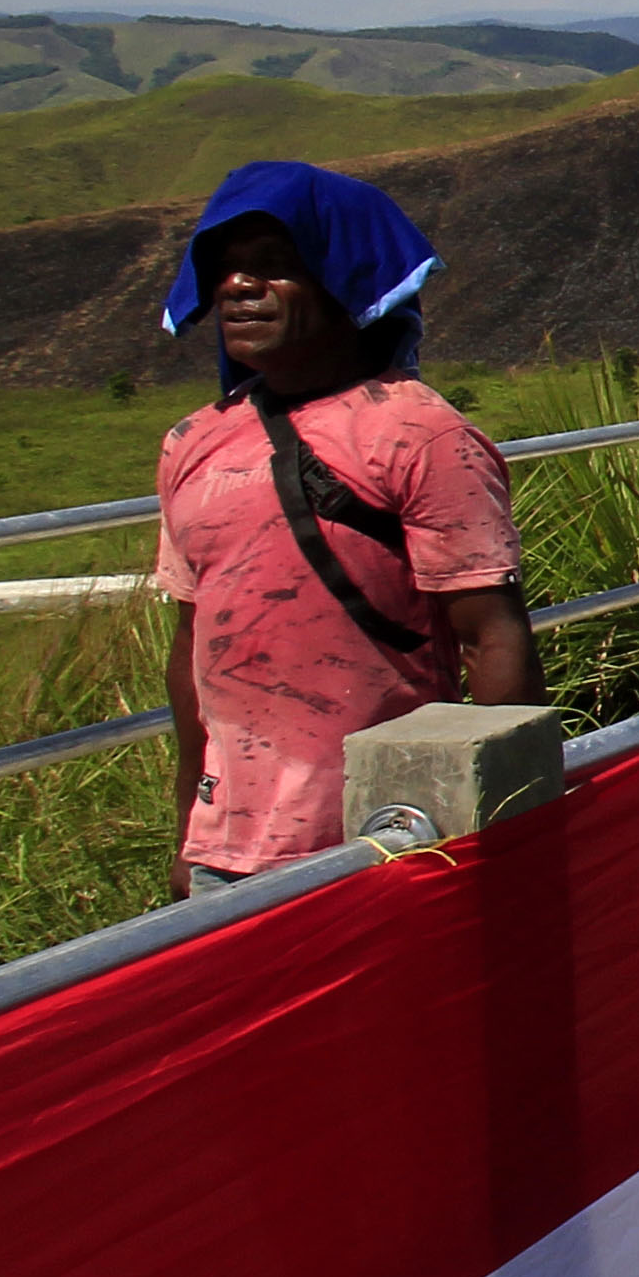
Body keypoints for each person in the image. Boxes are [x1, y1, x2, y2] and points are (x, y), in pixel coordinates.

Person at [152, 162, 540, 895]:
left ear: (346, 281)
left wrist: (503, 832)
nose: (239, 287)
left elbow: (492, 637)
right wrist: (187, 830)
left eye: (275, 268)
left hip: (389, 840)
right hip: (224, 853)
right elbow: (192, 645)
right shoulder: (190, 444)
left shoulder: (418, 435)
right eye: (227, 270)